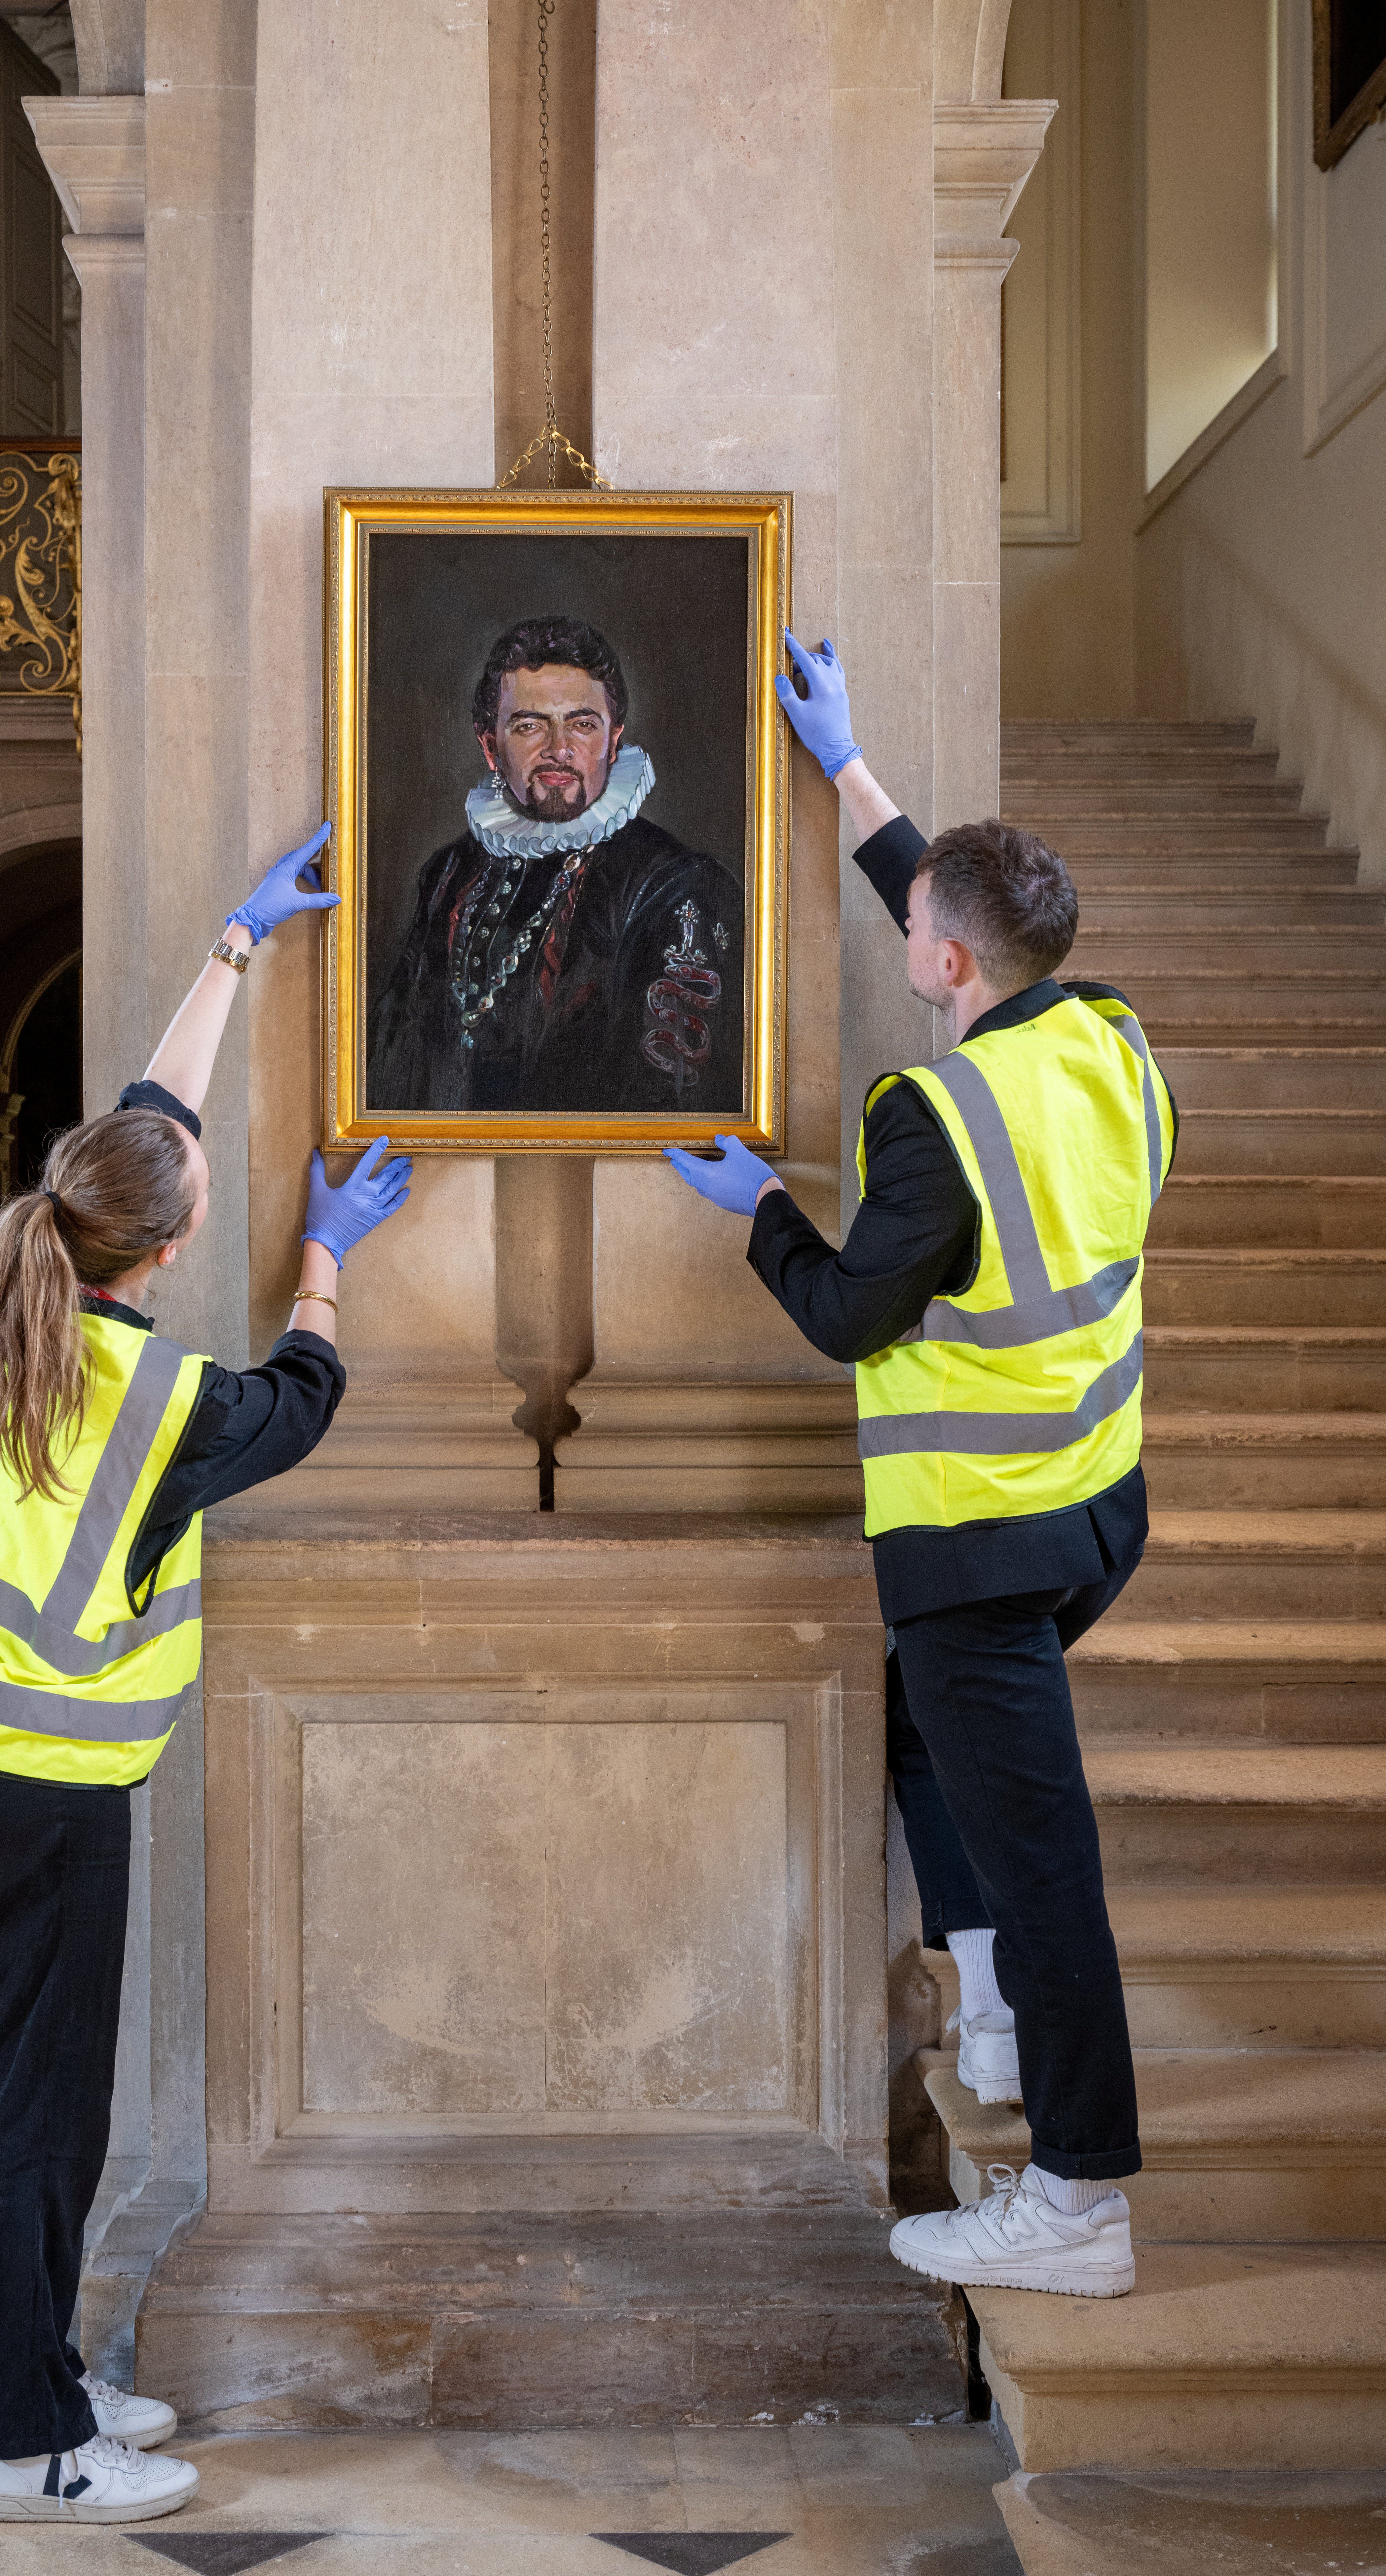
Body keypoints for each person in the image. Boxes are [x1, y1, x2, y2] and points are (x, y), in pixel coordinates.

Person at [0, 827, 412, 2525]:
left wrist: (235, 949)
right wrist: (332, 1251)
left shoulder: (17, 1289)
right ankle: (22, 2442)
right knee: (36, 2114)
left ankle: (22, 2365)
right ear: (170, 1248)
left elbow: (143, 1121)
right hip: (40, 1784)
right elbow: (307, 1398)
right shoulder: (159, 1403)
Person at [666, 635, 1175, 2302]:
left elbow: (843, 1317)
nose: (907, 944)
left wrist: (748, 1206)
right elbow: (973, 920)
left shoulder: (929, 1120)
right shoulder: (1111, 1045)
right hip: (1099, 1511)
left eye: (914, 933)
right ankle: (1004, 2008)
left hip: (981, 1549)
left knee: (1047, 1867)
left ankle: (1080, 2203)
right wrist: (855, 776)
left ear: (945, 965)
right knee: (915, 1746)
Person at [366, 614, 744, 1115]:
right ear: (490, 746)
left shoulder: (677, 886)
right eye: (529, 726)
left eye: (583, 724)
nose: (559, 749)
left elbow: (668, 1100)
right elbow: (391, 1065)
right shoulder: (447, 875)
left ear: (613, 740)